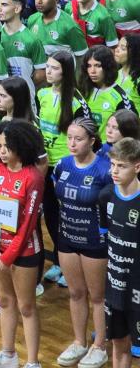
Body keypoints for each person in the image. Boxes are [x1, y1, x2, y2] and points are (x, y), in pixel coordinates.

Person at [0, 120, 46, 368]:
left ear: (21, 145)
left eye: (7, 146)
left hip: (24, 252)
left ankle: (33, 362)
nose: (2, 151)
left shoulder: (33, 177)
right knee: (5, 301)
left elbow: (27, 226)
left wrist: (7, 258)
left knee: (26, 306)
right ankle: (8, 355)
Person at [52, 116, 112, 368]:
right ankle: (79, 341)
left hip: (94, 241)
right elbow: (57, 193)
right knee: (75, 293)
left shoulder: (105, 170)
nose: (72, 143)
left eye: (78, 139)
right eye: (69, 138)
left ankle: (100, 346)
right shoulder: (62, 165)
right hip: (67, 237)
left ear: (92, 140)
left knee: (98, 296)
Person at [100, 137, 140, 368]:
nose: (114, 171)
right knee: (119, 344)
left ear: (137, 167)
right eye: (113, 164)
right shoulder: (106, 196)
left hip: (138, 287)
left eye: (121, 166)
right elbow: (107, 236)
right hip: (115, 285)